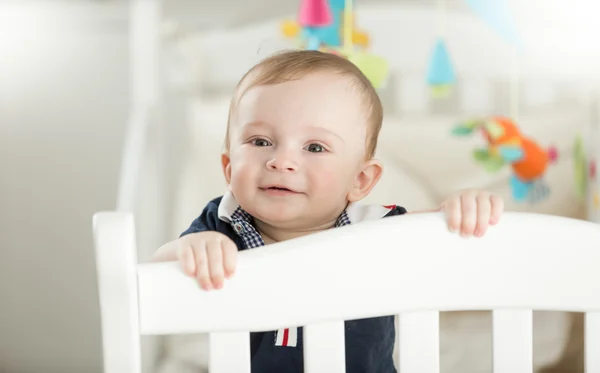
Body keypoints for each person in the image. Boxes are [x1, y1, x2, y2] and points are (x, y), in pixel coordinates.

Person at [151, 49, 504, 373]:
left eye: (315, 147)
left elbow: (439, 237)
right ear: (229, 168)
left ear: (361, 180)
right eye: (260, 142)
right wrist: (186, 250)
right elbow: (153, 277)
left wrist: (462, 208)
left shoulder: (377, 231)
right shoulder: (223, 225)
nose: (282, 161)